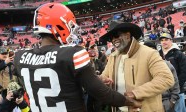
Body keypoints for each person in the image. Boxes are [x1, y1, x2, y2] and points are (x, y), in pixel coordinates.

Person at [13, 3, 141, 112]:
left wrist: (93, 77)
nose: (71, 31)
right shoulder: (72, 53)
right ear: (59, 25)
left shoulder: (20, 56)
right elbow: (100, 92)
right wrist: (129, 102)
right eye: (70, 26)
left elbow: (57, 77)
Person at [99, 21, 174, 112]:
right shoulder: (112, 57)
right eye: (111, 38)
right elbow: (104, 77)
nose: (113, 40)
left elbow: (166, 79)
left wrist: (135, 93)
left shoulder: (149, 53)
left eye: (116, 35)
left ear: (127, 35)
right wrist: (102, 81)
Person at [144, 41, 180, 112]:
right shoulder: (140, 67)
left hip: (165, 104)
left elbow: (175, 86)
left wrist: (171, 102)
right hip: (147, 105)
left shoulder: (167, 65)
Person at [159, 33, 186, 112]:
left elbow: (184, 72)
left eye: (166, 39)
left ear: (171, 41)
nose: (164, 42)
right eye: (162, 40)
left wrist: (176, 88)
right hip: (163, 93)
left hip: (178, 91)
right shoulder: (157, 54)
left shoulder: (179, 54)